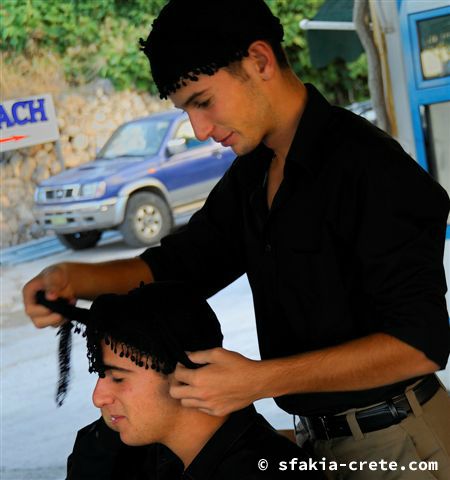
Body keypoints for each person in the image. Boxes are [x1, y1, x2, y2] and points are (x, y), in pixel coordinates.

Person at [23, 0, 450, 478]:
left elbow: (420, 343)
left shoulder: (371, 169)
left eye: (203, 101)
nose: (200, 129)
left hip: (399, 444)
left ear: (260, 61)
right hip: (315, 442)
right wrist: (72, 278)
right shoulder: (254, 174)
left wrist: (257, 381)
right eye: (187, 111)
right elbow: (179, 268)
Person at [37, 282, 323, 479]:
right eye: (101, 374)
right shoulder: (129, 453)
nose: (98, 397)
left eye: (118, 377)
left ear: (192, 375)